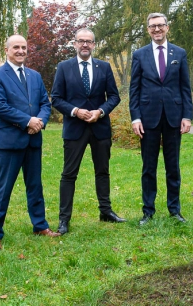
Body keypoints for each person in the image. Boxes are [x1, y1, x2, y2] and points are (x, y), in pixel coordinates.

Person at [0, 34, 60, 251]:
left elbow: (45, 104)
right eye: (16, 47)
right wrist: (27, 121)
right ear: (7, 50)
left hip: (33, 141)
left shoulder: (34, 76)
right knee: (2, 189)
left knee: (35, 186)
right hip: (8, 142)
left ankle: (40, 226)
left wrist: (39, 122)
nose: (20, 51)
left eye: (24, 47)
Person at [51, 28, 124, 235]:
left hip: (100, 128)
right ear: (74, 44)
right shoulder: (64, 67)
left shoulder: (104, 67)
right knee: (69, 174)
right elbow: (56, 98)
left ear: (94, 45)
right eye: (81, 41)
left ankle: (106, 212)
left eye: (89, 42)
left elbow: (114, 97)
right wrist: (76, 111)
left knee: (102, 171)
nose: (85, 45)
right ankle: (64, 220)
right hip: (75, 129)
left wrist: (100, 112)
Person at [129, 13, 193, 225]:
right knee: (149, 167)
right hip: (148, 120)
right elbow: (134, 90)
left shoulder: (180, 53)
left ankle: (174, 210)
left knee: (173, 167)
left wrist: (187, 115)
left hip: (174, 118)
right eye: (152, 26)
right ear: (148, 30)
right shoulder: (139, 55)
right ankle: (148, 211)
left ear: (167, 27)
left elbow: (185, 88)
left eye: (160, 26)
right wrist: (135, 118)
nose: (156, 29)